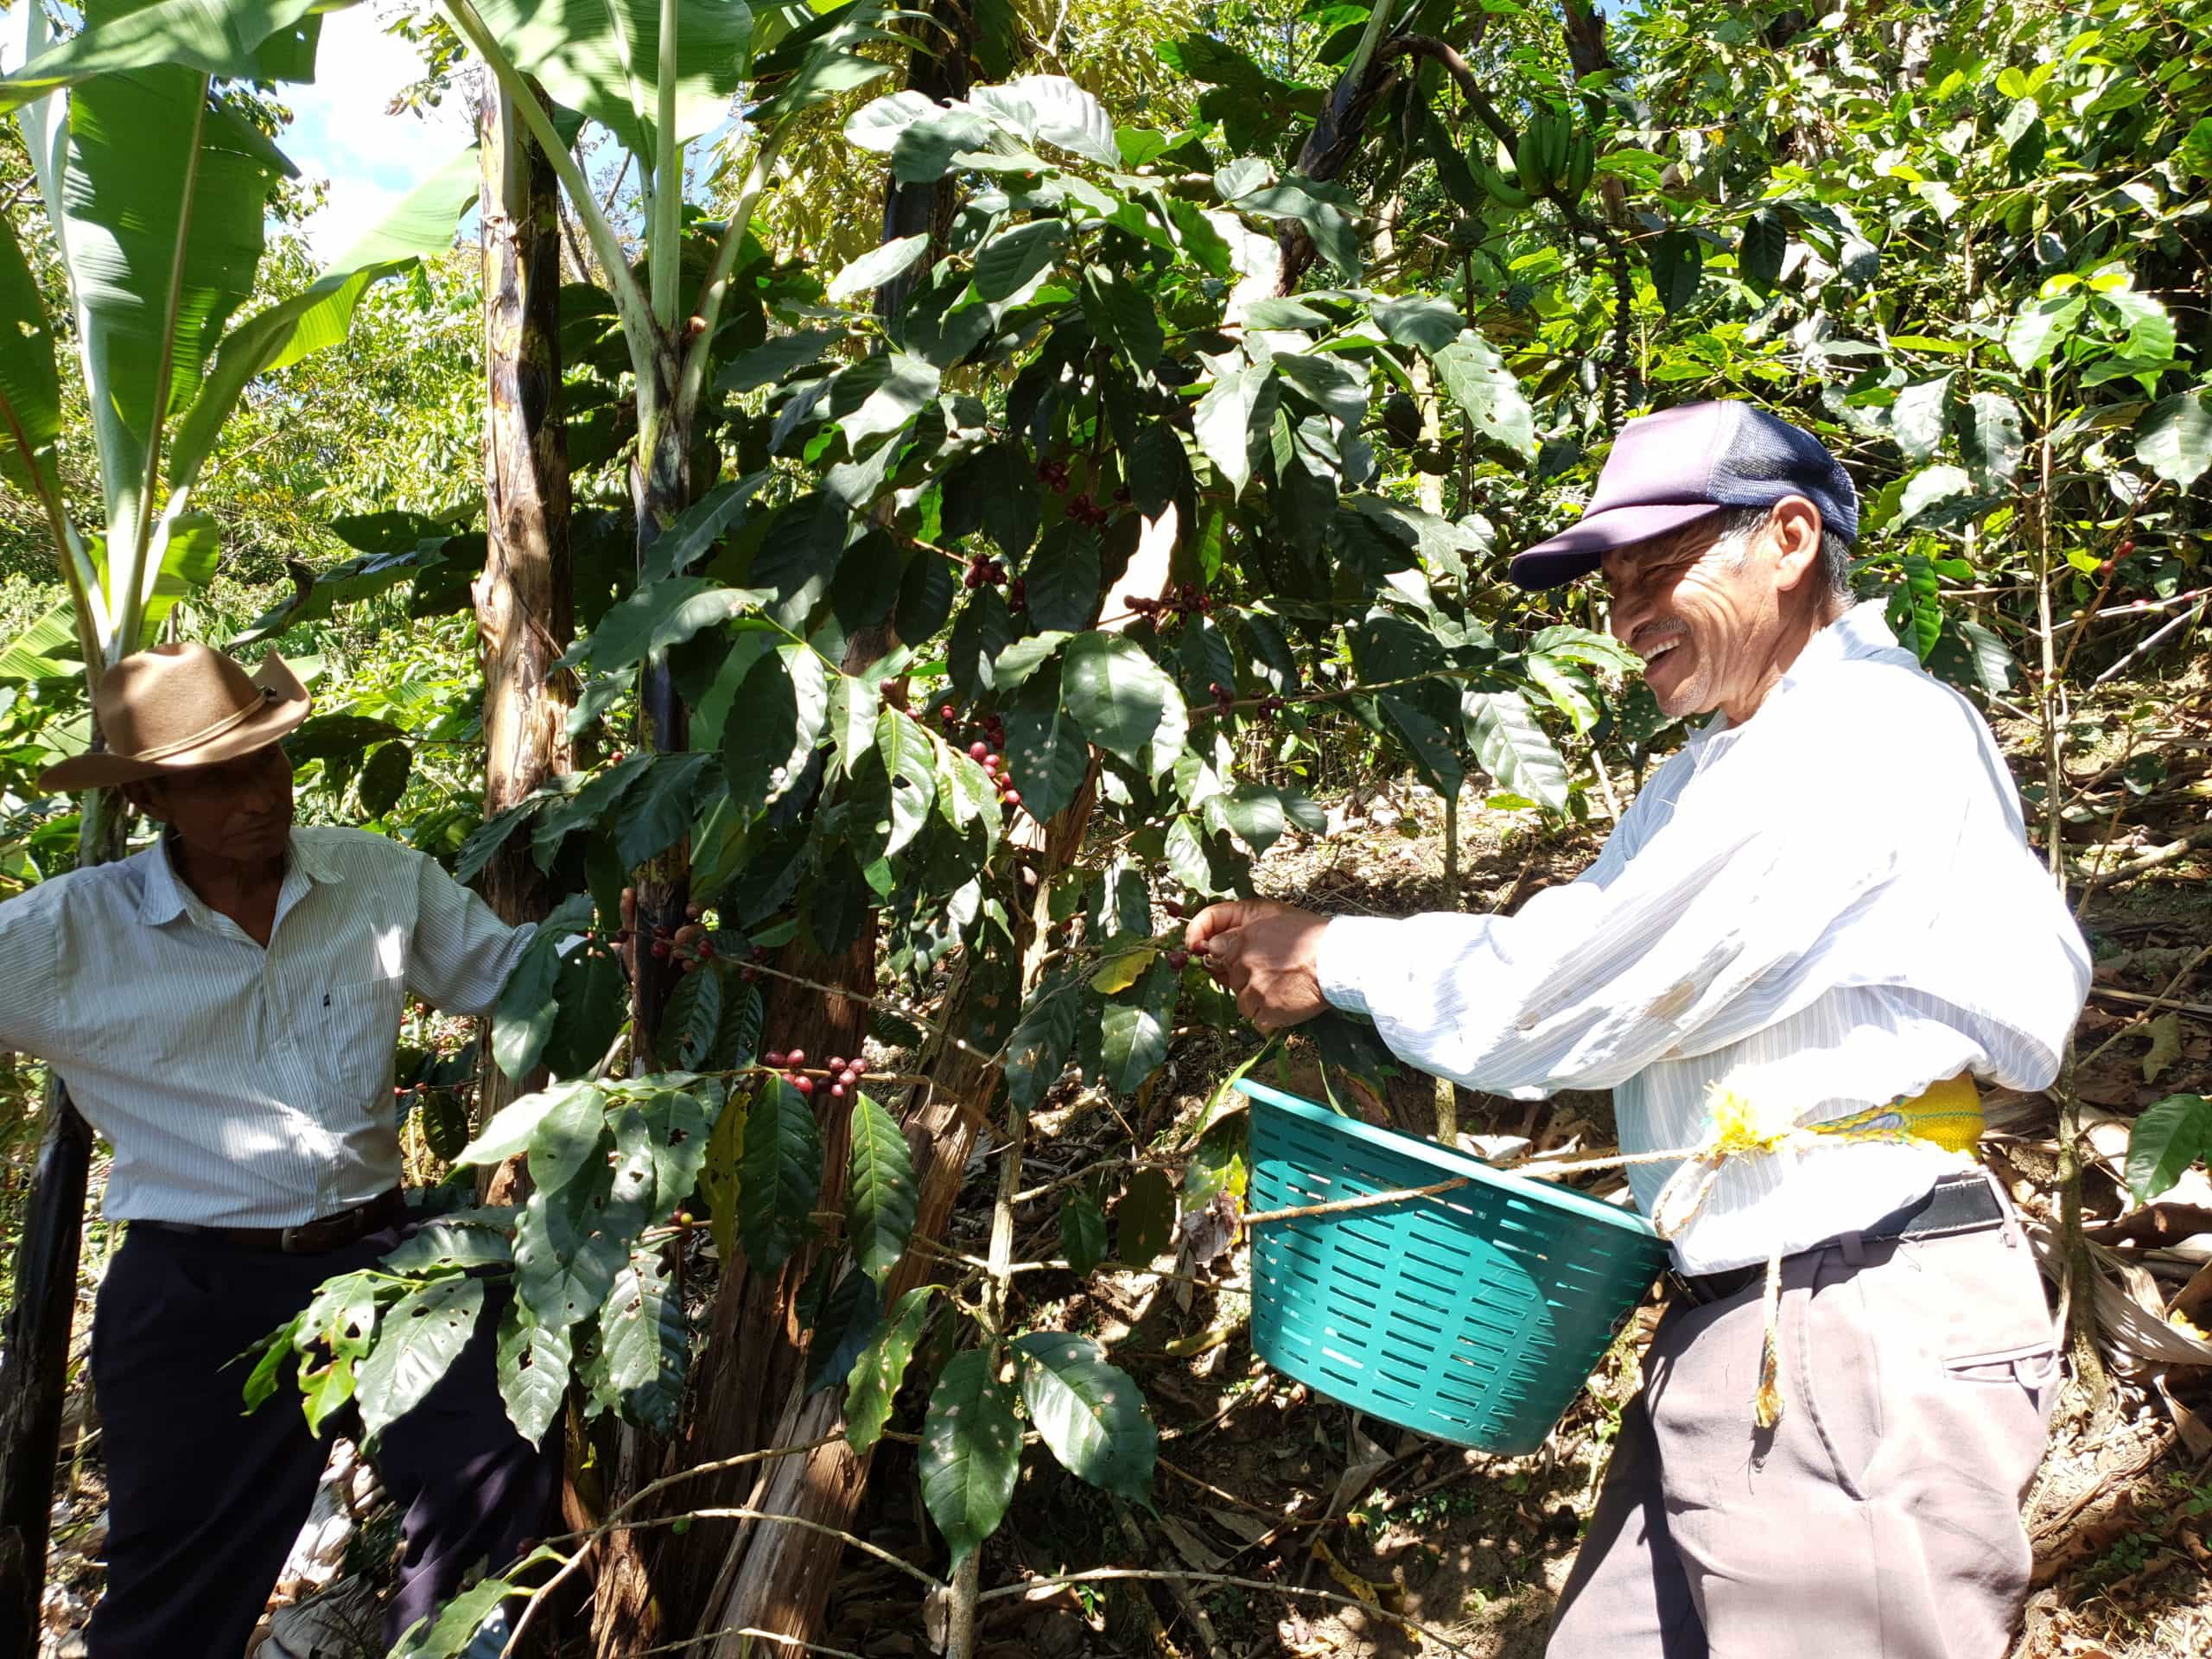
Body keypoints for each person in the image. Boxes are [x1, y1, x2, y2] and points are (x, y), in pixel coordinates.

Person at [1186, 400, 2091, 1659]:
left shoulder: (1860, 737)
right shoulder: (1717, 766)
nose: (1627, 619)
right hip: (1738, 1314)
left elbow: (1581, 994)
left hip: (1849, 1313)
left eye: (1661, 570)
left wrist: (1335, 956)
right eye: (1612, 588)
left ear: (1788, 539)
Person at [0, 642, 558, 1656]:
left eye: (268, 762)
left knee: (492, 1473)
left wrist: (638, 952)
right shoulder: (67, 935)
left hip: (384, 1259)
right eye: (216, 781)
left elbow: (507, 976)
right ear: (151, 799)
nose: (258, 797)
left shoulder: (373, 877)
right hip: (197, 1287)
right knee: (180, 1588)